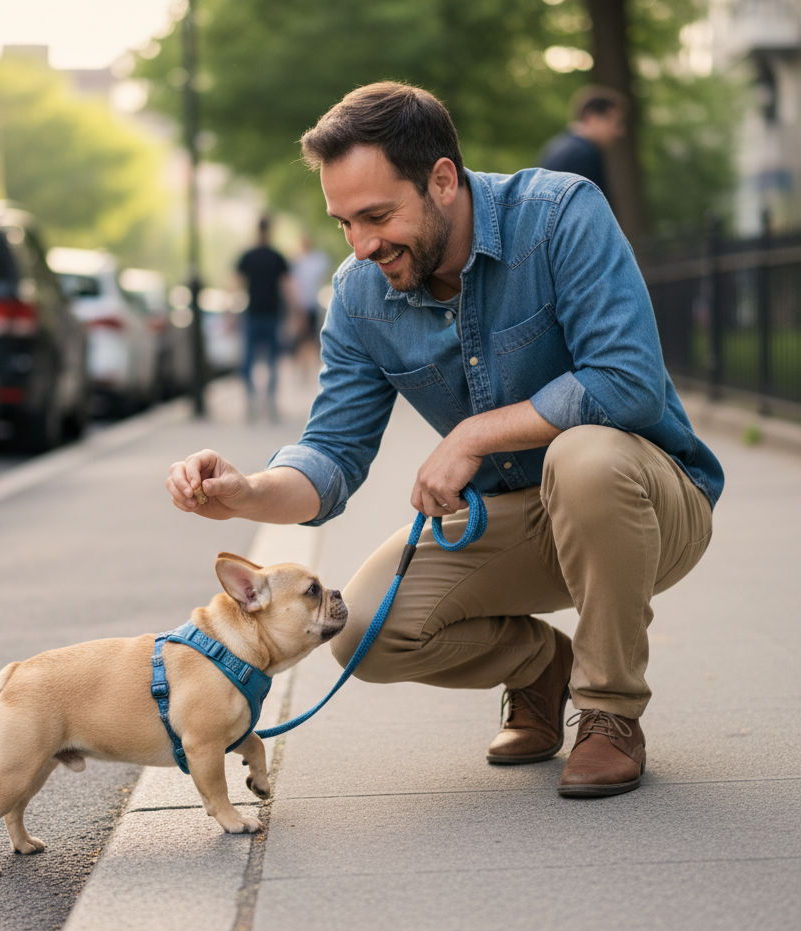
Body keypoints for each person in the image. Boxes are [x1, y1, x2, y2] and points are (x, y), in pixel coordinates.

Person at [168, 82, 722, 799]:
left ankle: (609, 713)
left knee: (583, 454)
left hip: (645, 503)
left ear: (441, 180)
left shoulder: (559, 216)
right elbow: (332, 454)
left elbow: (627, 380)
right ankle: (537, 668)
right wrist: (247, 493)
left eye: (376, 216)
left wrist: (476, 433)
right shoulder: (361, 295)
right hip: (515, 521)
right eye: (344, 223)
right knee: (361, 627)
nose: (362, 245)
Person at [236, 217, 291, 420]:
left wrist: (230, 312)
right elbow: (287, 286)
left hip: (253, 314)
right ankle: (270, 404)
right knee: (272, 361)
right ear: (270, 231)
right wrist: (295, 312)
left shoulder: (248, 256)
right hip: (272, 315)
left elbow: (236, 284)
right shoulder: (277, 257)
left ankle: (251, 403)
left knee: (249, 361)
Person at [539, 86, 628, 205]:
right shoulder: (584, 155)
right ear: (592, 117)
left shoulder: (556, 146)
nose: (620, 131)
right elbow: (592, 212)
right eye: (615, 122)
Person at [289, 235, 331, 381]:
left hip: (312, 304)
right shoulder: (296, 261)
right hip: (300, 305)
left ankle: (310, 369)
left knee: (313, 339)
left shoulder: (316, 260)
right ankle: (303, 369)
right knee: (301, 339)